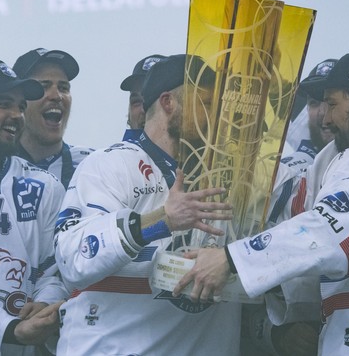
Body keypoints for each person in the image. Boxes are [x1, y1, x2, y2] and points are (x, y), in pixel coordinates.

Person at [175, 50, 349, 355]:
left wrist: (231, 259)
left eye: (332, 103)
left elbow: (326, 235)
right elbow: (301, 201)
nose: (325, 117)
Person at [53, 54, 242, 355]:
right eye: (208, 103)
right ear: (169, 103)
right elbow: (73, 258)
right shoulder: (110, 163)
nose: (220, 115)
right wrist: (161, 220)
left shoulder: (231, 180)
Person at [0, 60, 67, 355]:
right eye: (3, 104)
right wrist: (10, 329)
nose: (17, 115)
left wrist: (45, 303)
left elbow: (54, 272)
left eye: (20, 106)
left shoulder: (44, 187)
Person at [12, 48, 93, 189]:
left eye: (63, 88)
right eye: (43, 86)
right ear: (19, 99)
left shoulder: (92, 164)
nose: (56, 96)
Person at [120, 54, 167, 141]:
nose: (143, 109)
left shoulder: (197, 153)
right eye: (136, 101)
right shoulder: (113, 154)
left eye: (154, 100)